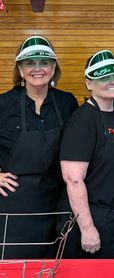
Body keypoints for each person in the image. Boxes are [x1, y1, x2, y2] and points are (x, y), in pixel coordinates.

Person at [0, 36, 78, 258]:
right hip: (13, 205)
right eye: (30, 63)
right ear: (20, 69)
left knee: (52, 266)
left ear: (53, 67)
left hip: (56, 203)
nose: (37, 68)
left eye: (44, 62)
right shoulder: (3, 104)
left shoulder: (66, 102)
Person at [58, 50, 114, 258]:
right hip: (96, 220)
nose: (112, 81)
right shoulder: (83, 120)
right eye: (103, 77)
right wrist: (87, 228)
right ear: (88, 83)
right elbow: (73, 179)